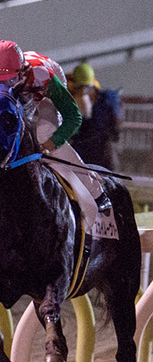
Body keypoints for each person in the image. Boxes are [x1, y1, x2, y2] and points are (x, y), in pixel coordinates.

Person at [0, 42, 105, 228]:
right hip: (26, 83)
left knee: (43, 131)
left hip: (47, 82)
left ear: (21, 72)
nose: (6, 84)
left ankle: (94, 190)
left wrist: (53, 142)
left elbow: (73, 116)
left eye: (9, 79)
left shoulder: (41, 77)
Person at [68, 61, 122, 170]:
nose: (83, 91)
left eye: (86, 87)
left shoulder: (104, 100)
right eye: (81, 88)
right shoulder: (73, 98)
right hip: (84, 150)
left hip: (100, 150)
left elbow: (114, 125)